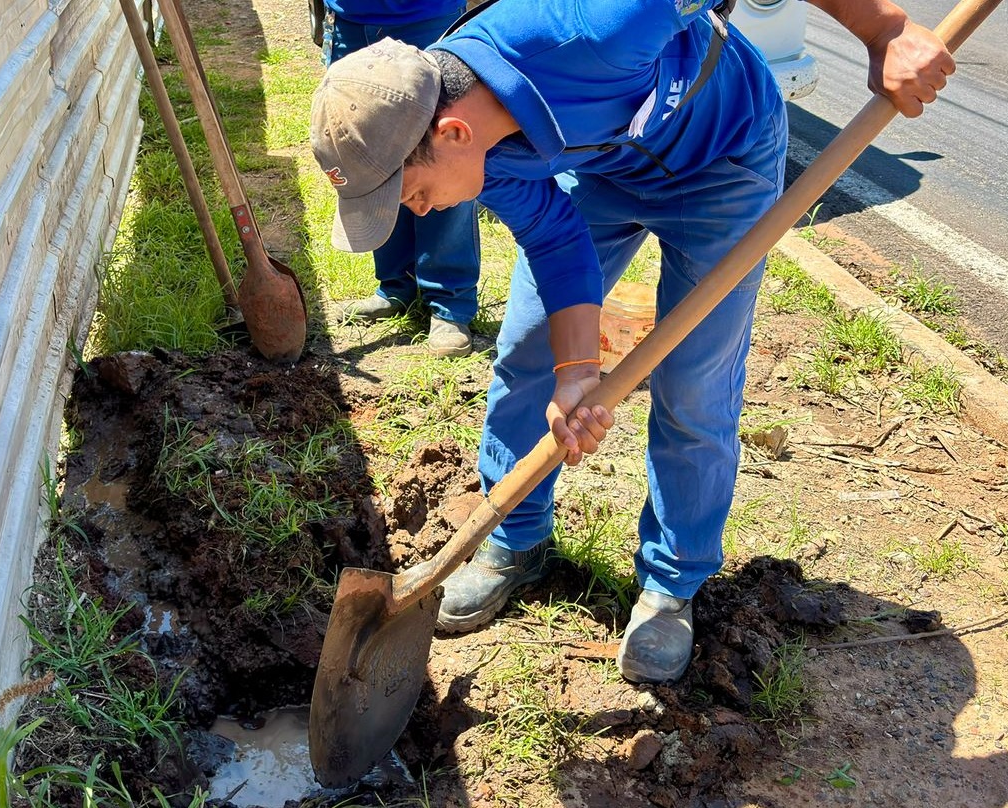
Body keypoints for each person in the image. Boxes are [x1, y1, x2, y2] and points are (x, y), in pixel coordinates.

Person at [310, 0, 954, 682]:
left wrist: (885, 29)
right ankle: (515, 541)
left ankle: (672, 584)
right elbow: (554, 238)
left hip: (724, 160)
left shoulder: (604, 22)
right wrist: (575, 370)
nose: (416, 211)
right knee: (529, 353)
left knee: (694, 383)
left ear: (453, 132)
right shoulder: (481, 152)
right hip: (606, 174)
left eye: (411, 192)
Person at [317, 0, 482, 358]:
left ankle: (450, 301)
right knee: (370, 159)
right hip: (350, 18)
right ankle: (396, 285)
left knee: (438, 158)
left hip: (426, 17)